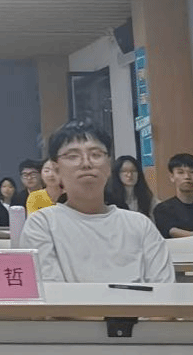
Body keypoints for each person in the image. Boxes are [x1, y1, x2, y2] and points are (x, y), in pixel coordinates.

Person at [21, 121, 172, 283]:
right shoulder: (42, 225)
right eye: (73, 156)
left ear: (108, 166)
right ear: (56, 169)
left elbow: (165, 289)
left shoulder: (141, 225)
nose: (86, 163)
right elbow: (50, 292)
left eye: (96, 154)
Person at [106, 155, 157, 220]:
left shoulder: (147, 198)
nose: (129, 175)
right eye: (124, 171)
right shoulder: (109, 199)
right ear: (117, 174)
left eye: (133, 170)